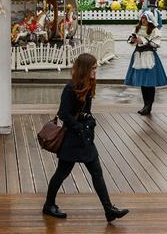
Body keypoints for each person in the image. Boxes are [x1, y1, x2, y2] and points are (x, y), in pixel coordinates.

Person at [43, 53, 129, 223]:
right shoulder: (70, 88)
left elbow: (85, 111)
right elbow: (64, 114)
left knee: (97, 172)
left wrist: (89, 122)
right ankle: (49, 205)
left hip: (84, 137)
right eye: (94, 68)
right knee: (62, 172)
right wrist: (80, 127)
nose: (96, 70)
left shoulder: (87, 85)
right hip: (72, 138)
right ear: (85, 68)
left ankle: (108, 209)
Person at [123, 10, 167, 115]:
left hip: (149, 57)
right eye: (142, 18)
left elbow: (156, 44)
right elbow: (130, 39)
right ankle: (145, 105)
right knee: (143, 83)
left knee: (150, 82)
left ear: (149, 20)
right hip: (139, 57)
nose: (143, 20)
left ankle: (149, 106)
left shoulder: (154, 30)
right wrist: (133, 40)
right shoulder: (137, 28)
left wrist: (143, 41)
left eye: (145, 18)